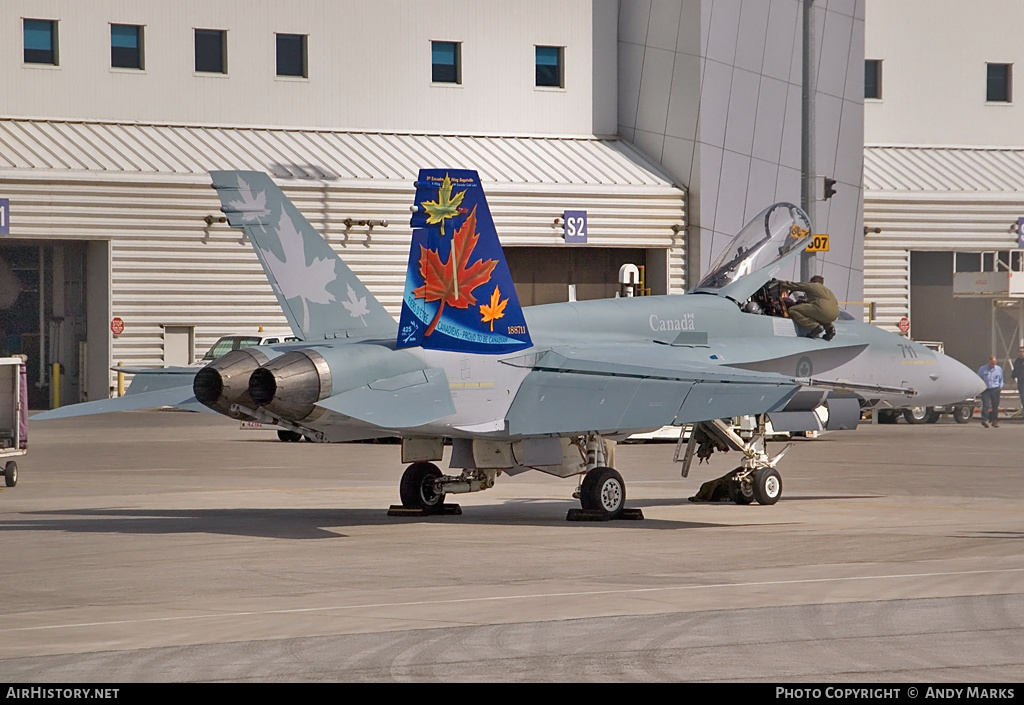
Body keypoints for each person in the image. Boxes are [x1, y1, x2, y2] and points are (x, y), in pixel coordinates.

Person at [776, 275, 840, 340]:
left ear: (812, 281)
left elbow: (794, 285)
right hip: (835, 314)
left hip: (822, 309)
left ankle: (815, 327)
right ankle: (830, 329)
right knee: (820, 315)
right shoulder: (828, 291)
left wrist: (779, 283)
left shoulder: (812, 285)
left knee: (792, 310)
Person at [977, 355, 1004, 428]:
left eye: (994, 363)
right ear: (989, 362)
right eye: (992, 363)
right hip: (986, 389)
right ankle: (985, 419)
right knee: (986, 404)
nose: (993, 365)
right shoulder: (983, 369)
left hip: (995, 389)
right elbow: (978, 378)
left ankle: (994, 420)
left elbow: (1001, 379)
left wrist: (1001, 386)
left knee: (995, 406)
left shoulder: (998, 369)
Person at [1012, 346, 1024, 417]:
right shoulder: (1017, 361)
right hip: (1021, 381)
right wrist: (1013, 377)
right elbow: (1015, 370)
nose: (1021, 353)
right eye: (1020, 352)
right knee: (1022, 396)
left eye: (1022, 352)